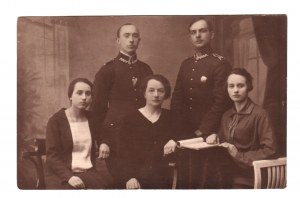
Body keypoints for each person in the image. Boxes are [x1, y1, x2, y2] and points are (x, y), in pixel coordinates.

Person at [90, 23, 153, 186]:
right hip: (116, 135)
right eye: (126, 36)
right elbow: (97, 111)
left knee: (146, 180)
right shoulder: (107, 71)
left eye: (134, 36)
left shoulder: (146, 70)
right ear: (118, 40)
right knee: (123, 181)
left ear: (139, 40)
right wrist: (103, 139)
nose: (131, 40)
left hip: (143, 134)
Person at [206, 68, 277, 188]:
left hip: (249, 174)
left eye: (240, 86)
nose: (235, 90)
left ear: (248, 87)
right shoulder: (226, 115)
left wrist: (238, 155)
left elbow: (270, 150)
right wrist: (215, 136)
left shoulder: (260, 114)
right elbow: (224, 143)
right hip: (227, 171)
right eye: (231, 86)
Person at [170, 18, 232, 142]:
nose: (198, 36)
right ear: (190, 37)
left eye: (202, 31)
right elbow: (177, 97)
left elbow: (221, 102)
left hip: (209, 130)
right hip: (184, 127)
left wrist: (204, 129)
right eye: (193, 32)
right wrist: (175, 124)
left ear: (212, 34)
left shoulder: (220, 63)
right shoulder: (186, 63)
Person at [45, 78, 111, 189]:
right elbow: (52, 156)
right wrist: (69, 177)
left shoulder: (92, 119)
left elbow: (104, 134)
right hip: (61, 176)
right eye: (79, 93)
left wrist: (104, 142)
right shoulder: (56, 121)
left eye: (88, 94)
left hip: (88, 173)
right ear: (70, 96)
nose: (84, 97)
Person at [119, 74, 174, 189]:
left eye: (160, 91)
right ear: (144, 93)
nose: (156, 95)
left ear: (166, 94)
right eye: (151, 90)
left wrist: (175, 141)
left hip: (165, 178)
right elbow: (123, 152)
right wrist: (130, 177)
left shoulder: (172, 118)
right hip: (136, 179)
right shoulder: (130, 119)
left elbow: (186, 136)